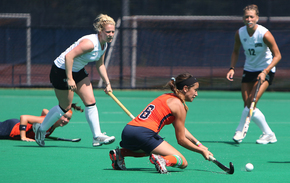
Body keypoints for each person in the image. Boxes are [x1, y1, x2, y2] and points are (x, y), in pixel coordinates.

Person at [35, 14, 116, 147]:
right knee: (65, 107)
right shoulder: (90, 43)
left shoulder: (104, 45)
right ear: (100, 31)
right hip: (61, 70)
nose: (111, 34)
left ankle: (97, 136)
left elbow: (100, 64)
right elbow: (68, 57)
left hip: (77, 70)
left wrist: (107, 83)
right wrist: (70, 78)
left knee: (90, 102)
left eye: (113, 32)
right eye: (108, 32)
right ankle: (41, 129)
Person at [109, 73, 213, 174]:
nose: (196, 94)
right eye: (195, 90)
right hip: (144, 134)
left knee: (149, 149)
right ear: (185, 89)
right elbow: (181, 140)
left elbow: (181, 128)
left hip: (128, 131)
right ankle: (163, 160)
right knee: (182, 161)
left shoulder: (166, 97)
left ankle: (120, 153)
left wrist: (199, 145)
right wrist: (201, 151)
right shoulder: (179, 106)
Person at [226, 4, 281, 144]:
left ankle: (239, 131)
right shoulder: (240, 33)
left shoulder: (264, 34)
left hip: (265, 69)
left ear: (257, 18)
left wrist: (265, 71)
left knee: (252, 101)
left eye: (251, 17)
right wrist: (232, 68)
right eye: (246, 17)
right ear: (243, 19)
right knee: (247, 104)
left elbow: (277, 56)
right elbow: (235, 51)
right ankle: (269, 134)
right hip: (249, 69)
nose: (249, 19)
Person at [0, 104, 83, 141]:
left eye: (68, 119)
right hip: (10, 129)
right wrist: (23, 137)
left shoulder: (53, 124)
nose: (66, 120)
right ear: (58, 115)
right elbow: (23, 117)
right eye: (64, 117)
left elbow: (44, 110)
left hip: (14, 125)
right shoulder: (47, 122)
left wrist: (49, 115)